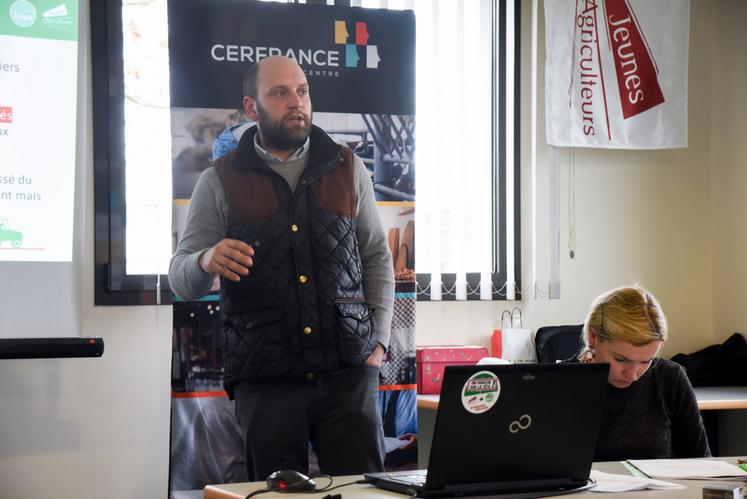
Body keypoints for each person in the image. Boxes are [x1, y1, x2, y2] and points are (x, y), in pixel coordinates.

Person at [169, 55, 395, 480]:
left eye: (302, 91)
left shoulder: (348, 168)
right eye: (280, 93)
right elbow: (181, 277)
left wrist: (378, 344)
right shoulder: (219, 180)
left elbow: (377, 258)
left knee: (363, 492)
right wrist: (205, 259)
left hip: (348, 376)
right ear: (251, 107)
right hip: (266, 384)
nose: (297, 102)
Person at [578, 285, 711, 461]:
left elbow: (701, 461)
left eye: (646, 361)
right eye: (621, 359)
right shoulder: (559, 383)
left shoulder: (670, 378)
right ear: (593, 337)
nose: (632, 375)